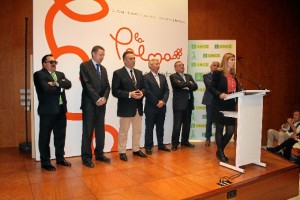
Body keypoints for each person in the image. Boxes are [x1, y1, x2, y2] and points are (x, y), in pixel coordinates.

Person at [33, 54, 72, 171]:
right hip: (47, 112)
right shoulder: (39, 74)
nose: (53, 63)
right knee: (45, 137)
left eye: (55, 61)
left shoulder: (60, 74)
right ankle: (45, 162)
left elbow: (68, 84)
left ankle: (60, 158)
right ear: (44, 64)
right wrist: (60, 85)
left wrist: (55, 83)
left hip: (61, 110)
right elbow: (45, 89)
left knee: (60, 136)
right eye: (51, 62)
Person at [112, 51, 147, 161]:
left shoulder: (139, 73)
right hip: (125, 107)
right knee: (123, 131)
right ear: (125, 60)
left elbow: (144, 88)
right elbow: (115, 91)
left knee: (137, 130)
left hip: (138, 107)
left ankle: (136, 149)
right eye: (130, 59)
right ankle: (122, 151)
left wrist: (142, 93)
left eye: (134, 58)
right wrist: (129, 94)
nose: (133, 60)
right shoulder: (118, 73)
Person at [79, 45, 111, 168]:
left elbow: (108, 86)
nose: (102, 57)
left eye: (103, 55)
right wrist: (97, 98)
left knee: (100, 131)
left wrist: (104, 98)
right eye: (100, 54)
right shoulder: (84, 65)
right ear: (93, 54)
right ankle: (86, 157)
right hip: (90, 104)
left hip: (101, 104)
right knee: (88, 131)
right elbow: (86, 84)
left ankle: (99, 154)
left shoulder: (103, 69)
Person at [210, 53, 239, 163]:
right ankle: (221, 153)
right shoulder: (218, 72)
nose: (234, 61)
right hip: (219, 103)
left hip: (230, 104)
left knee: (231, 130)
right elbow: (211, 87)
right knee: (220, 128)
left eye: (234, 59)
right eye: (232, 59)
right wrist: (219, 94)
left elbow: (237, 90)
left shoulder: (233, 75)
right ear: (226, 61)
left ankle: (219, 150)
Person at [143, 59, 170, 155]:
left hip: (162, 107)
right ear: (150, 66)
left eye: (158, 63)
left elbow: (167, 91)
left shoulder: (163, 77)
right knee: (149, 128)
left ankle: (161, 144)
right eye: (155, 64)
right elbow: (147, 91)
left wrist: (163, 101)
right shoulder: (146, 77)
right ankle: (148, 146)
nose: (158, 65)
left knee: (160, 127)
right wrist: (157, 102)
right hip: (151, 107)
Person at [169, 61, 198, 151]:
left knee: (187, 124)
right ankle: (174, 143)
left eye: (182, 65)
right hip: (179, 104)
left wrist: (186, 86)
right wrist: (189, 84)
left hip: (189, 103)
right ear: (175, 68)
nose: (182, 66)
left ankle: (185, 141)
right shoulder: (173, 76)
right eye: (179, 65)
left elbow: (195, 86)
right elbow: (178, 85)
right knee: (177, 125)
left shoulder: (188, 76)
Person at [202, 61, 220, 146]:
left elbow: (222, 86)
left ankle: (218, 138)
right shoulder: (206, 76)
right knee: (209, 120)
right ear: (210, 66)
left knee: (218, 121)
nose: (216, 67)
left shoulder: (222, 76)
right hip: (209, 100)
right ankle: (207, 138)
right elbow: (209, 86)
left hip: (219, 101)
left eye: (217, 65)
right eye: (214, 65)